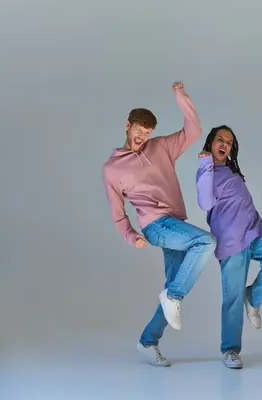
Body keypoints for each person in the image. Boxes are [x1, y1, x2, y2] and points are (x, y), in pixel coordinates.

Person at [102, 81, 216, 367]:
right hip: (156, 226)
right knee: (205, 242)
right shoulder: (112, 168)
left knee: (174, 284)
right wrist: (131, 236)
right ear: (127, 126)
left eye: (147, 132)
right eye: (138, 130)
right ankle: (173, 296)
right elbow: (118, 212)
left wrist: (182, 97)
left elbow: (194, 131)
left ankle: (147, 341)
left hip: (175, 223)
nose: (142, 136)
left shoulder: (161, 146)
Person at [196, 125, 262, 369]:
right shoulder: (206, 170)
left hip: (254, 230)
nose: (224, 144)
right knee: (232, 298)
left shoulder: (231, 168)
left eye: (229, 141)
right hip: (231, 240)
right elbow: (204, 202)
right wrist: (205, 165)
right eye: (219, 139)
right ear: (210, 143)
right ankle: (230, 350)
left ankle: (253, 297)